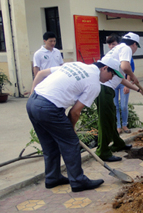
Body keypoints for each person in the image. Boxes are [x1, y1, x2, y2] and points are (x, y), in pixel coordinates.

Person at [26, 57, 123, 192]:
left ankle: (53, 178)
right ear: (104, 68)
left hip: (33, 103)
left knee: (50, 145)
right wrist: (71, 130)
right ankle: (78, 181)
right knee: (71, 143)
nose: (111, 79)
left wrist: (32, 96)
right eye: (112, 75)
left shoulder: (77, 65)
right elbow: (75, 112)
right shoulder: (94, 84)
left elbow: (41, 74)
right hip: (49, 108)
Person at [97, 32, 143, 162]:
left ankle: (118, 143)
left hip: (106, 88)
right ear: (134, 44)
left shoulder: (117, 50)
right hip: (103, 88)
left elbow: (121, 79)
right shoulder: (126, 48)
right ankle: (102, 151)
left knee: (111, 116)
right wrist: (133, 76)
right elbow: (125, 68)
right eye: (137, 47)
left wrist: (138, 90)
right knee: (106, 120)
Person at [106, 34, 133, 134]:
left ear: (118, 44)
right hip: (113, 83)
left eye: (113, 44)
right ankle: (118, 126)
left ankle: (125, 125)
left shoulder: (125, 54)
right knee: (115, 106)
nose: (112, 46)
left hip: (123, 82)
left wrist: (127, 84)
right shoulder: (110, 55)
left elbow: (129, 70)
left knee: (124, 106)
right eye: (110, 44)